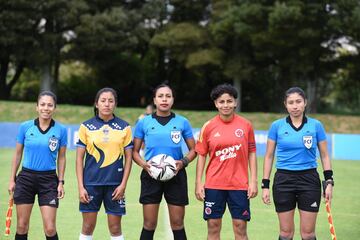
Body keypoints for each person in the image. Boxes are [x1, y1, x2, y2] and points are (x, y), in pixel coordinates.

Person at [261, 87, 334, 240]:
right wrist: (265, 185)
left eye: (298, 102)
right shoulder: (277, 126)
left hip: (309, 180)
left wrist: (329, 181)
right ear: (285, 105)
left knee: (308, 234)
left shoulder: (316, 125)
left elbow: (325, 155)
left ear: (305, 103)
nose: (295, 106)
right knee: (286, 233)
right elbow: (268, 156)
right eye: (291, 102)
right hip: (283, 180)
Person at [133, 83, 196, 240]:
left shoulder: (182, 122)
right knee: (149, 223)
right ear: (154, 100)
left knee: (177, 223)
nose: (164, 99)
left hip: (176, 175)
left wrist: (183, 162)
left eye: (168, 96)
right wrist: (144, 165)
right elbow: (134, 151)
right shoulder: (144, 122)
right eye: (160, 96)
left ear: (173, 100)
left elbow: (194, 150)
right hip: (150, 175)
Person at [195, 83, 258, 240]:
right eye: (221, 102)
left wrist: (253, 181)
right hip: (214, 185)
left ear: (235, 102)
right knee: (213, 227)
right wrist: (198, 182)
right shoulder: (208, 126)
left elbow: (252, 153)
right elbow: (201, 155)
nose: (226, 105)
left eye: (229, 101)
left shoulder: (246, 125)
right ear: (216, 104)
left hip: (239, 185)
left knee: (240, 227)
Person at [8, 91, 67, 240]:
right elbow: (17, 154)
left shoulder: (61, 130)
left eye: (49, 105)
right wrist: (11, 179)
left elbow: (62, 158)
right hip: (26, 178)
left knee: (50, 228)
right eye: (42, 104)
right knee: (22, 225)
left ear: (54, 108)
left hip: (49, 181)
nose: (46, 108)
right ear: (37, 107)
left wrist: (60, 182)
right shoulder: (25, 127)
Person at [76, 87, 133, 240]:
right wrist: (81, 187)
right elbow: (79, 159)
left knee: (115, 228)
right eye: (103, 101)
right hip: (91, 184)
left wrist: (123, 185)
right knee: (87, 227)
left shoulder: (124, 127)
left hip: (115, 185)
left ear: (115, 104)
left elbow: (129, 159)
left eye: (110, 101)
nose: (107, 104)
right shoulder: (86, 127)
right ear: (96, 104)